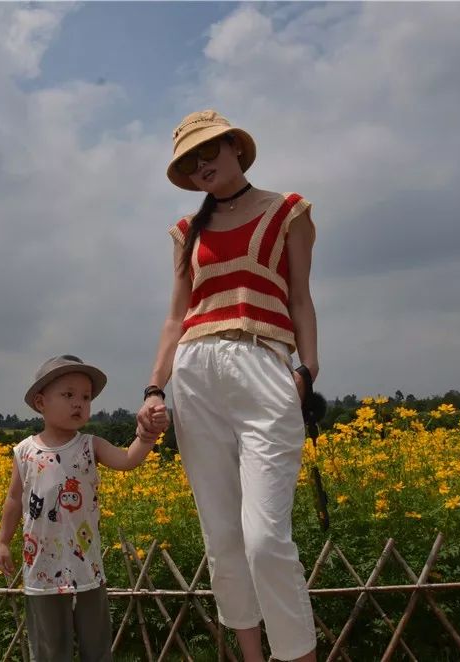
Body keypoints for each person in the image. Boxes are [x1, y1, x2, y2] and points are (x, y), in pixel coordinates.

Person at [137, 109, 319, 662]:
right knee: (223, 539)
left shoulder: (288, 211)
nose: (201, 165)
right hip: (193, 371)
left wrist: (306, 373)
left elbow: (300, 299)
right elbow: (175, 317)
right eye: (190, 161)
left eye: (209, 151)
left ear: (236, 148)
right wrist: (153, 389)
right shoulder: (185, 232)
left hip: (263, 360)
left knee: (266, 541)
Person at [0, 354, 168, 662]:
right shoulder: (24, 451)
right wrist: (3, 542)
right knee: (49, 649)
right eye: (68, 395)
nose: (79, 403)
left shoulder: (91, 444)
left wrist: (146, 436)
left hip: (86, 566)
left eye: (86, 397)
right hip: (41, 570)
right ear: (40, 402)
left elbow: (128, 459)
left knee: (96, 646)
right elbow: (13, 499)